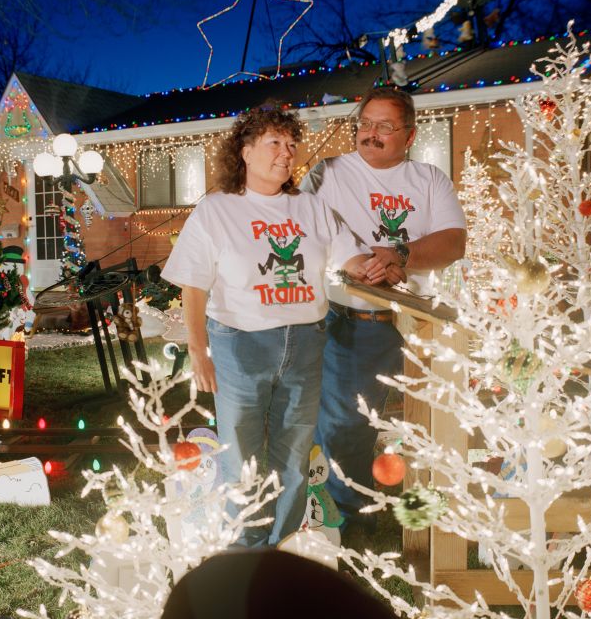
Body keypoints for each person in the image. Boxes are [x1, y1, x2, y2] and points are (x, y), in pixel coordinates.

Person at [162, 107, 368, 547]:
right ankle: (245, 550)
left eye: (291, 145)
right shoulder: (216, 210)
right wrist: (198, 351)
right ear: (246, 150)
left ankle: (282, 547)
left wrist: (384, 264)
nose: (286, 153)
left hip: (306, 345)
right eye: (275, 143)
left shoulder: (311, 207)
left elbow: (352, 258)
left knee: (293, 455)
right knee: (241, 456)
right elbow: (193, 286)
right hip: (240, 347)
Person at [300, 86, 467, 524]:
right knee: (344, 423)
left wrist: (400, 255)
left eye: (385, 127)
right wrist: (356, 263)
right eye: (365, 124)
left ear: (409, 136)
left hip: (418, 320)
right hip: (352, 318)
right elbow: (303, 227)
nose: (371, 134)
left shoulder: (430, 180)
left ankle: (429, 513)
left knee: (428, 425)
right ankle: (344, 516)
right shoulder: (328, 173)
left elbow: (453, 241)